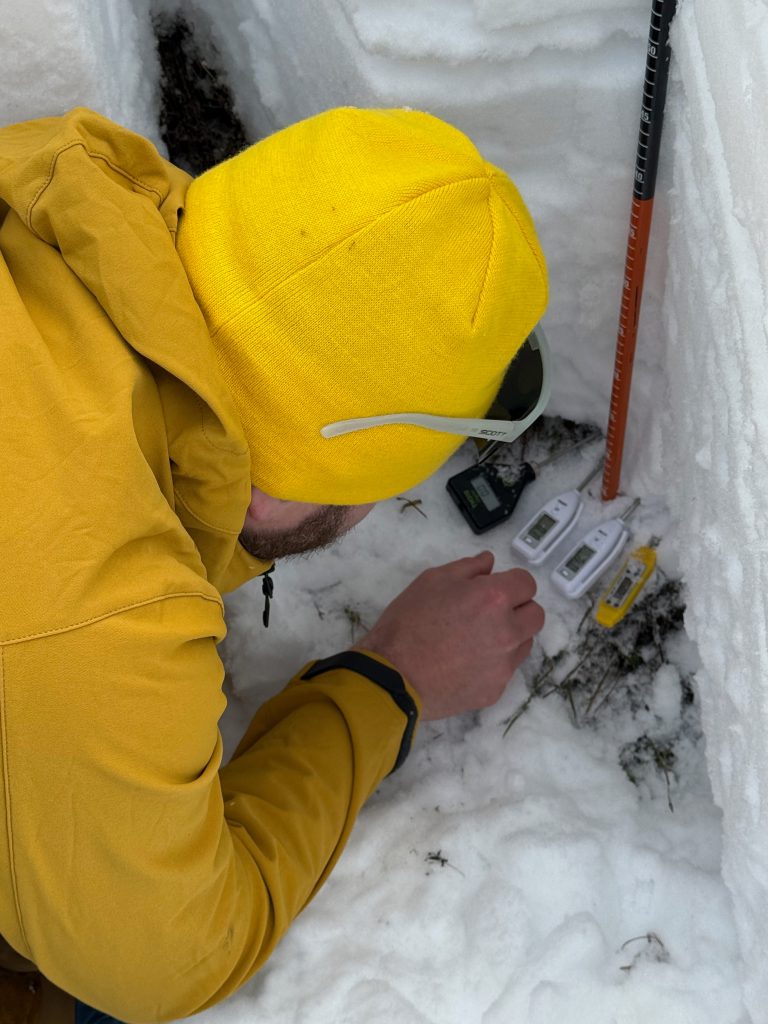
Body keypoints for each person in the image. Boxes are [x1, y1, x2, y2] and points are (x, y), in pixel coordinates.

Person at [0, 105, 547, 1023]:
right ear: (276, 500)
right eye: (373, 485)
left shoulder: (59, 187)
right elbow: (162, 964)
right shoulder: (105, 623)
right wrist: (390, 683)